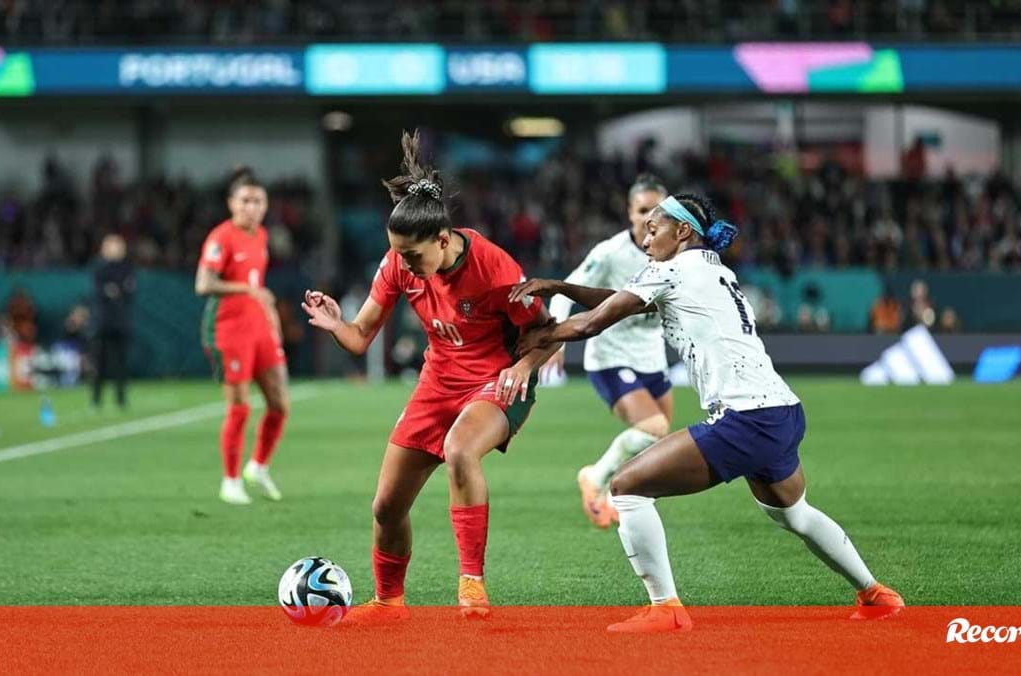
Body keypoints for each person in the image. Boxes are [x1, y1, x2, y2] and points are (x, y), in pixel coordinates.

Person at [512, 193, 903, 633]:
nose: (645, 239)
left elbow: (591, 324)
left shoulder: (671, 271)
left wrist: (538, 339)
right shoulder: (714, 270)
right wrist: (562, 288)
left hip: (745, 418)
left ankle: (666, 609)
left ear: (682, 231)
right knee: (794, 513)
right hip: (781, 410)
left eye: (653, 229)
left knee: (626, 488)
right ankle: (875, 594)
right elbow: (620, 299)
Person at [301, 130, 560, 622]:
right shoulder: (400, 263)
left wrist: (524, 368)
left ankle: (472, 585)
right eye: (396, 253)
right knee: (385, 508)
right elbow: (360, 338)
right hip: (438, 383)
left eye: (413, 256)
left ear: (443, 240)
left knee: (460, 449)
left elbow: (547, 332)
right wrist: (337, 324)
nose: (403, 265)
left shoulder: (495, 269)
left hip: (497, 381)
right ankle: (389, 602)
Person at [544, 174, 673, 529]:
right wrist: (555, 336)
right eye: (642, 210)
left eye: (658, 210)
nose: (650, 217)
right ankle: (595, 476)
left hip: (652, 356)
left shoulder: (676, 252)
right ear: (629, 212)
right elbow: (562, 291)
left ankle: (614, 498)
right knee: (653, 426)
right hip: (611, 357)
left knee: (655, 441)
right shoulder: (610, 253)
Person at [196, 168, 290, 504]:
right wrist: (248, 290)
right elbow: (203, 284)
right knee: (239, 407)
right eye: (246, 200)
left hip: (259, 328)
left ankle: (258, 466)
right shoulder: (221, 237)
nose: (252, 206)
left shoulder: (261, 236)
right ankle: (230, 480)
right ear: (232, 203)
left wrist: (269, 316)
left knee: (279, 403)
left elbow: (258, 288)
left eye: (258, 200)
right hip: (228, 329)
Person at [91, 234, 136, 410]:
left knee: (121, 364)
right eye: (112, 245)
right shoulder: (99, 268)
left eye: (119, 246)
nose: (116, 249)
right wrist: (114, 291)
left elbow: (129, 291)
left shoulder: (127, 268)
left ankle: (121, 399)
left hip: (121, 323)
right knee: (99, 363)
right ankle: (96, 399)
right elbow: (101, 292)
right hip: (102, 323)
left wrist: (115, 291)